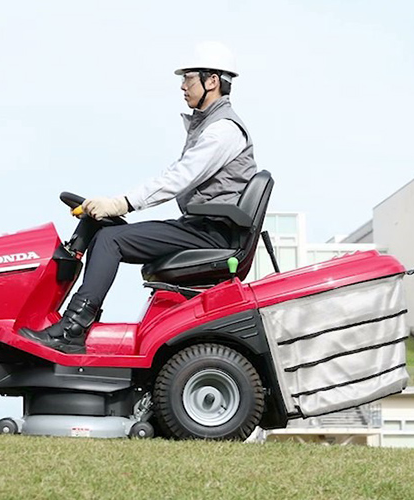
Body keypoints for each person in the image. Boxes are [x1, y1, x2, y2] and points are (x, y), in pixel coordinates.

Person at [21, 41, 257, 352]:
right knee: (105, 231)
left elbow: (178, 177)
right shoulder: (210, 127)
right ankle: (74, 324)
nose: (182, 86)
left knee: (110, 240)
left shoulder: (223, 130)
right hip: (201, 228)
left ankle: (72, 329)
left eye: (188, 78)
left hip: (212, 233)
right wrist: (113, 208)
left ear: (211, 81)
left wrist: (121, 203)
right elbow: (176, 174)